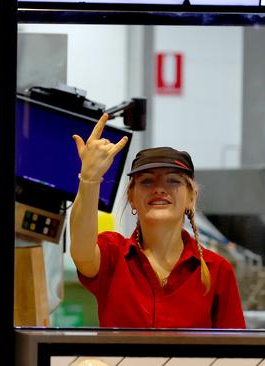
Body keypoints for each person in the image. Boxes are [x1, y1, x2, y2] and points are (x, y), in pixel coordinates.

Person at [70, 114, 245, 328]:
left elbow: (233, 354)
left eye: (173, 181)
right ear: (131, 197)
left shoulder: (218, 270)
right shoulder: (113, 256)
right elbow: (80, 250)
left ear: (192, 197)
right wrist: (89, 178)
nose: (159, 188)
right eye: (146, 181)